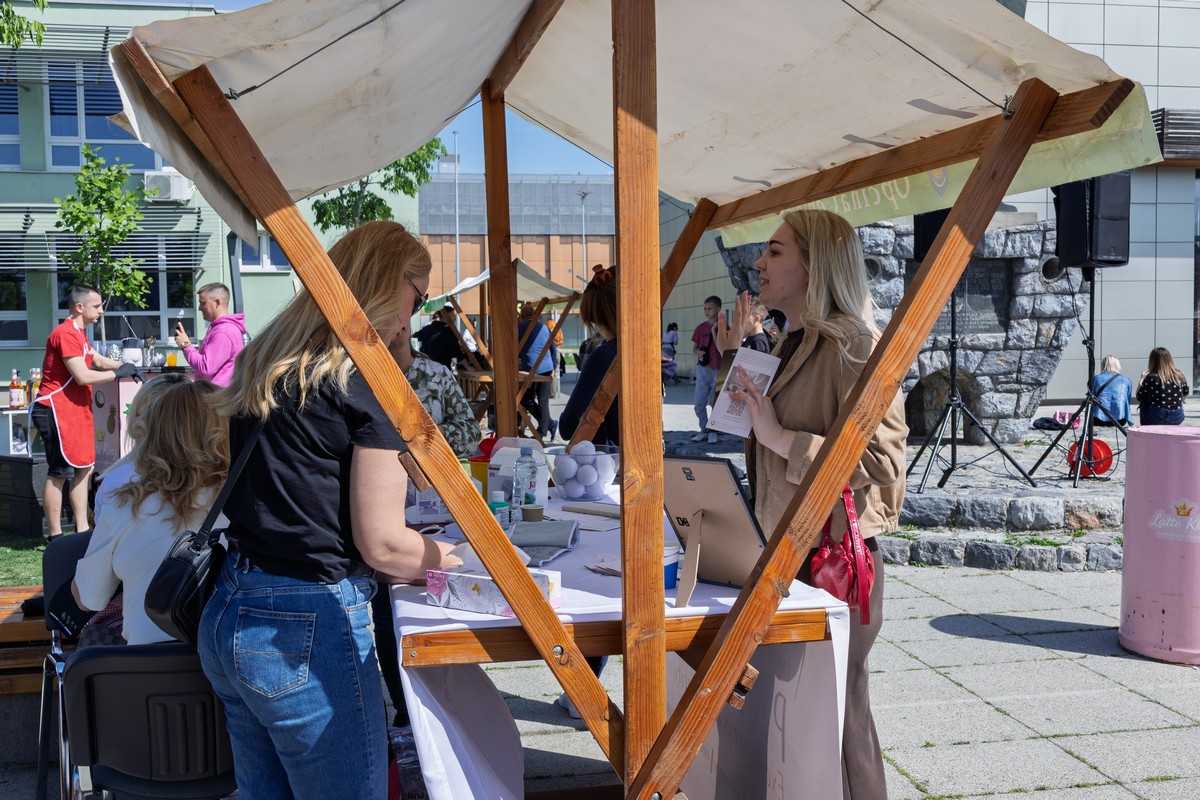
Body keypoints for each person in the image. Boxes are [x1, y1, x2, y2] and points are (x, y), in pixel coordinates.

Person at [199, 221, 460, 797]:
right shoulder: (362, 381)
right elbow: (384, 544)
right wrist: (459, 559)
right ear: (388, 286)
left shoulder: (272, 359)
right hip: (306, 620)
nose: (413, 318)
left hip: (234, 603)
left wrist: (397, 360)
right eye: (418, 298)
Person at [715, 209, 907, 800]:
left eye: (775, 251)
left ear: (814, 264)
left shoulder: (854, 345)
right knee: (796, 725)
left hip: (833, 562)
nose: (758, 262)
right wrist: (737, 362)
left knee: (841, 722)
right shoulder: (789, 341)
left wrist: (782, 439)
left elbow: (885, 462)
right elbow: (745, 430)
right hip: (785, 553)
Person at [374, 333, 482, 725]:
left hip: (433, 511)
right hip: (377, 510)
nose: (393, 332)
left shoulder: (434, 375)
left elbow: (471, 433)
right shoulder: (362, 374)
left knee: (433, 602)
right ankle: (405, 710)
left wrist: (420, 438)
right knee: (385, 608)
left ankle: (441, 704)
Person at [72, 377, 228, 646]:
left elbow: (87, 599)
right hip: (227, 664)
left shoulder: (124, 506)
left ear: (155, 433)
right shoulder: (252, 505)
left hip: (148, 666)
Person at [31, 285, 141, 541]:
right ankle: (55, 536)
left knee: (84, 468)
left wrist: (128, 366)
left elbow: (96, 360)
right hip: (55, 410)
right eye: (97, 306)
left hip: (74, 410)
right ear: (79, 307)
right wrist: (118, 374)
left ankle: (81, 532)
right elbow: (82, 375)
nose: (101, 311)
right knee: (59, 473)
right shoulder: (64, 333)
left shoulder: (78, 333)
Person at [559, 265, 619, 447]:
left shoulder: (604, 356)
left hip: (607, 458)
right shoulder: (645, 353)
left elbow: (568, 426)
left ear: (593, 316)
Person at [173, 282, 247, 386]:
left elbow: (205, 368)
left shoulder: (223, 332)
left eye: (203, 303)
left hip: (216, 394)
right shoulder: (220, 328)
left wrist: (185, 345)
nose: (199, 308)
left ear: (217, 303)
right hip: (214, 393)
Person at [518, 302, 557, 439]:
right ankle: (549, 424)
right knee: (543, 401)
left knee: (526, 399)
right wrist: (554, 367)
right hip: (547, 368)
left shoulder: (521, 327)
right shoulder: (544, 327)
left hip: (531, 369)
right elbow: (553, 348)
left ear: (522, 316)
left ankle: (542, 431)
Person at [691, 295, 723, 444]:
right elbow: (694, 347)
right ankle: (704, 429)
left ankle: (713, 431)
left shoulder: (724, 327)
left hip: (718, 368)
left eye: (709, 308)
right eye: (705, 309)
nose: (706, 311)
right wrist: (697, 352)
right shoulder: (700, 328)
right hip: (703, 368)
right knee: (699, 403)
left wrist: (715, 330)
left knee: (714, 401)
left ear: (718, 309)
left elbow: (724, 346)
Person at [1136, 346, 1190, 426]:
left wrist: (1141, 379)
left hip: (1157, 417)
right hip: (1177, 417)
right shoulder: (1180, 375)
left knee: (1144, 404)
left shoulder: (1151, 377)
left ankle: (1147, 429)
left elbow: (1139, 397)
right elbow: (1185, 393)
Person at [414, 305, 470, 369]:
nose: (455, 317)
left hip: (427, 366)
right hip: (442, 368)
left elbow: (415, 336)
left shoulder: (426, 329)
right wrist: (468, 367)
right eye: (453, 315)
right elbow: (456, 351)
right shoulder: (448, 331)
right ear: (446, 316)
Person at [1091, 355, 1133, 426]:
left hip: (1098, 418)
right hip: (1120, 419)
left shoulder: (1095, 379)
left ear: (1103, 365)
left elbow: (1091, 397)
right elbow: (1127, 401)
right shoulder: (1126, 380)